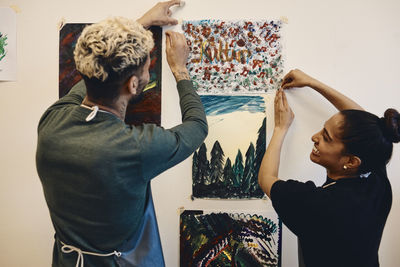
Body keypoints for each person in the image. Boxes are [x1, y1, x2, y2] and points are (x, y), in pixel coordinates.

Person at [36, 1, 208, 266]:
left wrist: (142, 22)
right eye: (146, 68)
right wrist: (180, 70)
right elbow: (197, 126)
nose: (148, 70)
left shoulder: (51, 122)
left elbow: (97, 72)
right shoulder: (137, 148)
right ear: (133, 83)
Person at [258, 69, 399, 267]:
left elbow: (266, 177)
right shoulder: (376, 186)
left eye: (326, 137)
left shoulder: (316, 203)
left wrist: (280, 129)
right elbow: (367, 126)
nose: (314, 137)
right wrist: (312, 83)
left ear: (351, 161)